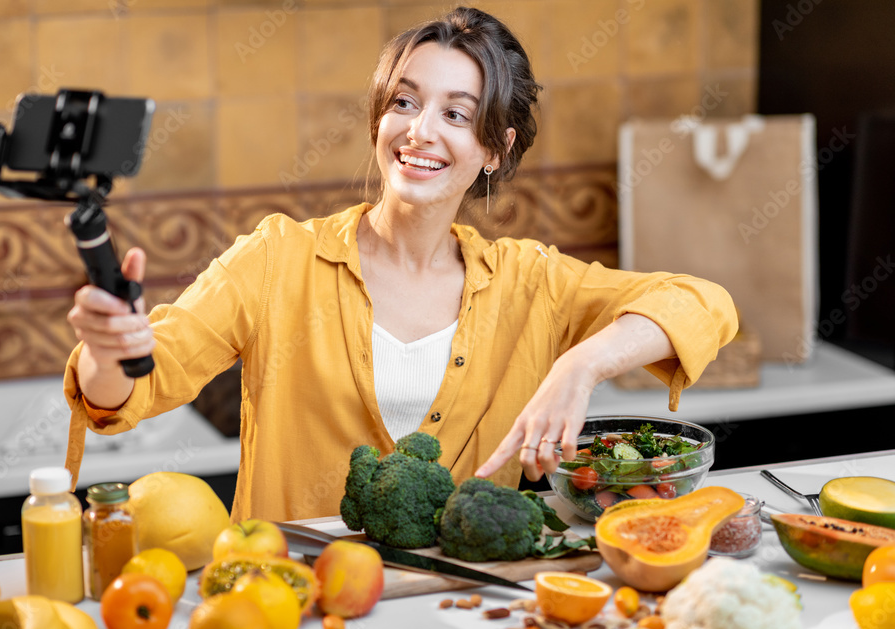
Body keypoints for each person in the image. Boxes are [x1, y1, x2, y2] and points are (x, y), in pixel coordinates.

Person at [63, 6, 738, 522]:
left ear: (496, 148)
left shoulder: (531, 282)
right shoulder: (278, 259)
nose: (419, 130)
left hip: (466, 615)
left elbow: (703, 302)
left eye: (456, 113)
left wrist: (580, 364)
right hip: (293, 609)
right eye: (404, 102)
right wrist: (107, 349)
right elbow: (126, 389)